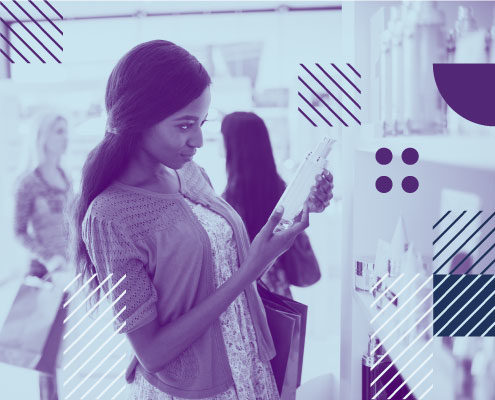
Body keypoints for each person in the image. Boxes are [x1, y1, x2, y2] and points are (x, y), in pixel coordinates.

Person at [72, 40, 333, 400]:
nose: (197, 140)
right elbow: (151, 353)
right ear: (138, 119)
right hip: (193, 390)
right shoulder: (109, 216)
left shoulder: (191, 174)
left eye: (201, 123)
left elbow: (223, 268)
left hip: (249, 367)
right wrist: (250, 269)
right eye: (184, 126)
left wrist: (288, 226)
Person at [221, 112, 329, 298]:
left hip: (249, 293)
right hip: (278, 293)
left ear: (233, 143)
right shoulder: (279, 187)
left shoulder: (230, 198)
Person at [14, 112, 72, 400]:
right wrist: (48, 258)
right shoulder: (28, 182)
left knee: (54, 353)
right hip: (42, 275)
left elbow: (70, 225)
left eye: (66, 130)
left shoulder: (65, 176)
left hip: (65, 274)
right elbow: (19, 233)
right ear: (44, 137)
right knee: (42, 355)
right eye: (59, 131)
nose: (66, 137)